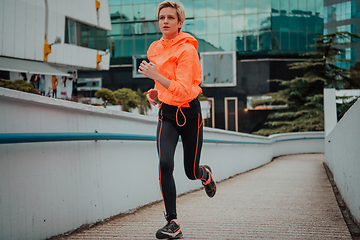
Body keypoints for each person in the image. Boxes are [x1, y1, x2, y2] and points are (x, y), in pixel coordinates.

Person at [138, 1, 216, 239]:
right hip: (168, 114)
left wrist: (156, 77)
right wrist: (156, 90)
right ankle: (173, 222)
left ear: (180, 22)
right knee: (165, 164)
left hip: (190, 114)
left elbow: (182, 89)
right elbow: (164, 80)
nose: (165, 21)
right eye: (162, 17)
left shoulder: (187, 50)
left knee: (190, 171)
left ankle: (206, 175)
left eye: (171, 18)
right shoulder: (155, 48)